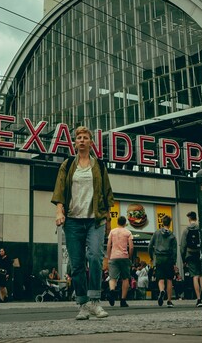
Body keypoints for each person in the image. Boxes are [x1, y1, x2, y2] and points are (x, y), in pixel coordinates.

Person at [52, 125, 114, 320]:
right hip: (72, 221)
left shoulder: (99, 166)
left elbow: (107, 194)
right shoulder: (68, 165)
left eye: (85, 137)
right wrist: (59, 211)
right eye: (78, 137)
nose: (81, 140)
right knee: (77, 264)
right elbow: (60, 190)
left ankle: (95, 301)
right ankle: (83, 304)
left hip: (95, 220)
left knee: (95, 256)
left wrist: (108, 221)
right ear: (75, 142)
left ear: (90, 142)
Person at [149, 214, 177, 307]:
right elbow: (174, 250)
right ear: (170, 223)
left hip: (159, 258)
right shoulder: (172, 235)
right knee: (169, 279)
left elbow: (150, 246)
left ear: (162, 222)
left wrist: (152, 257)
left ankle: (161, 291)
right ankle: (169, 301)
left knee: (160, 278)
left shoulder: (156, 233)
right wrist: (174, 262)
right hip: (168, 258)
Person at [106, 215, 133, 307]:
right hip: (124, 257)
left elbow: (108, 245)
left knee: (112, 278)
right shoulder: (128, 232)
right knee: (125, 279)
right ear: (125, 223)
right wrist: (129, 256)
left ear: (117, 222)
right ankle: (123, 300)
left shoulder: (112, 232)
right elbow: (131, 247)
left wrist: (109, 257)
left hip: (113, 257)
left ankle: (112, 291)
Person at [180, 211, 202, 308]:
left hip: (190, 254)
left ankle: (198, 299)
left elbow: (183, 246)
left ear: (189, 219)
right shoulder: (200, 228)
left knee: (195, 276)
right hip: (200, 254)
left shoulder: (186, 230)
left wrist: (183, 259)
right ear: (196, 218)